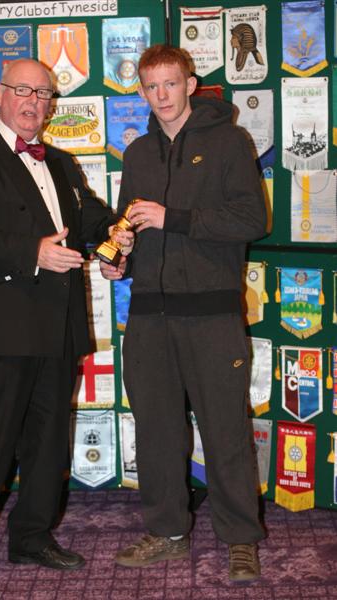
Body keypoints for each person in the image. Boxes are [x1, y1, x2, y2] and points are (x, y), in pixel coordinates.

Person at [0, 58, 132, 599]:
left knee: (47, 445)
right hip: (3, 329)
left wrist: (116, 238)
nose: (33, 102)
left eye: (43, 94)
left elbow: (91, 220)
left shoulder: (63, 162)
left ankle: (32, 537)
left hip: (57, 327)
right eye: (23, 90)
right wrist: (33, 253)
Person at [100, 44, 267, 581]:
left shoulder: (230, 141)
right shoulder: (137, 153)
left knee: (225, 431)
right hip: (148, 315)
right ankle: (168, 532)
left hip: (212, 314)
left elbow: (252, 219)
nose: (162, 95)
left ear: (190, 85)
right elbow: (129, 228)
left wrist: (173, 217)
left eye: (170, 83)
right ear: (142, 91)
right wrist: (118, 259)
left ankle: (240, 539)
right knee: (156, 432)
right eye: (151, 87)